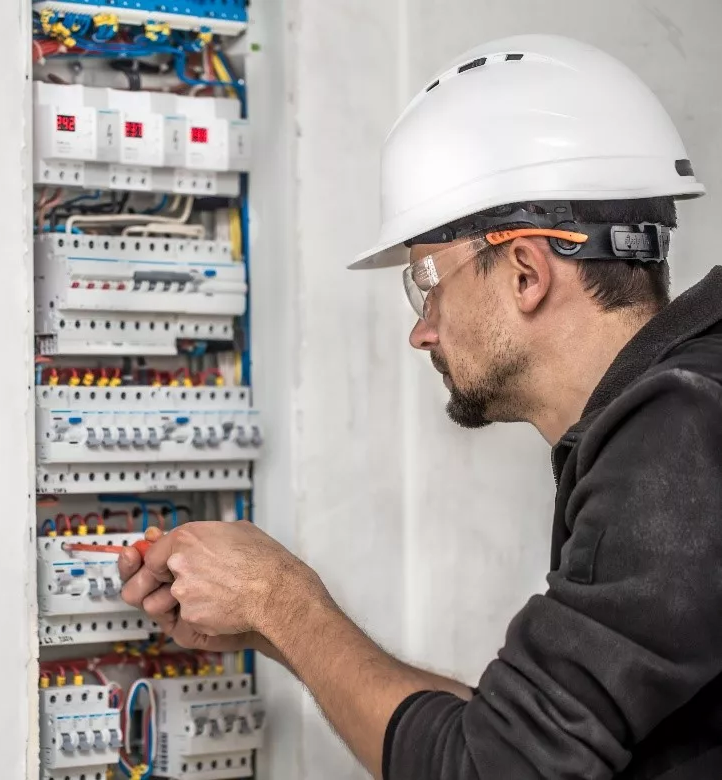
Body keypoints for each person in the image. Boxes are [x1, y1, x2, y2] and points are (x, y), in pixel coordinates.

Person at [117, 34, 722, 779]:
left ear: (526, 271)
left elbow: (494, 769)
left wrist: (284, 602)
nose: (420, 328)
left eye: (425, 283)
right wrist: (264, 622)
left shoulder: (676, 438)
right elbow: (528, 740)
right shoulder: (681, 418)